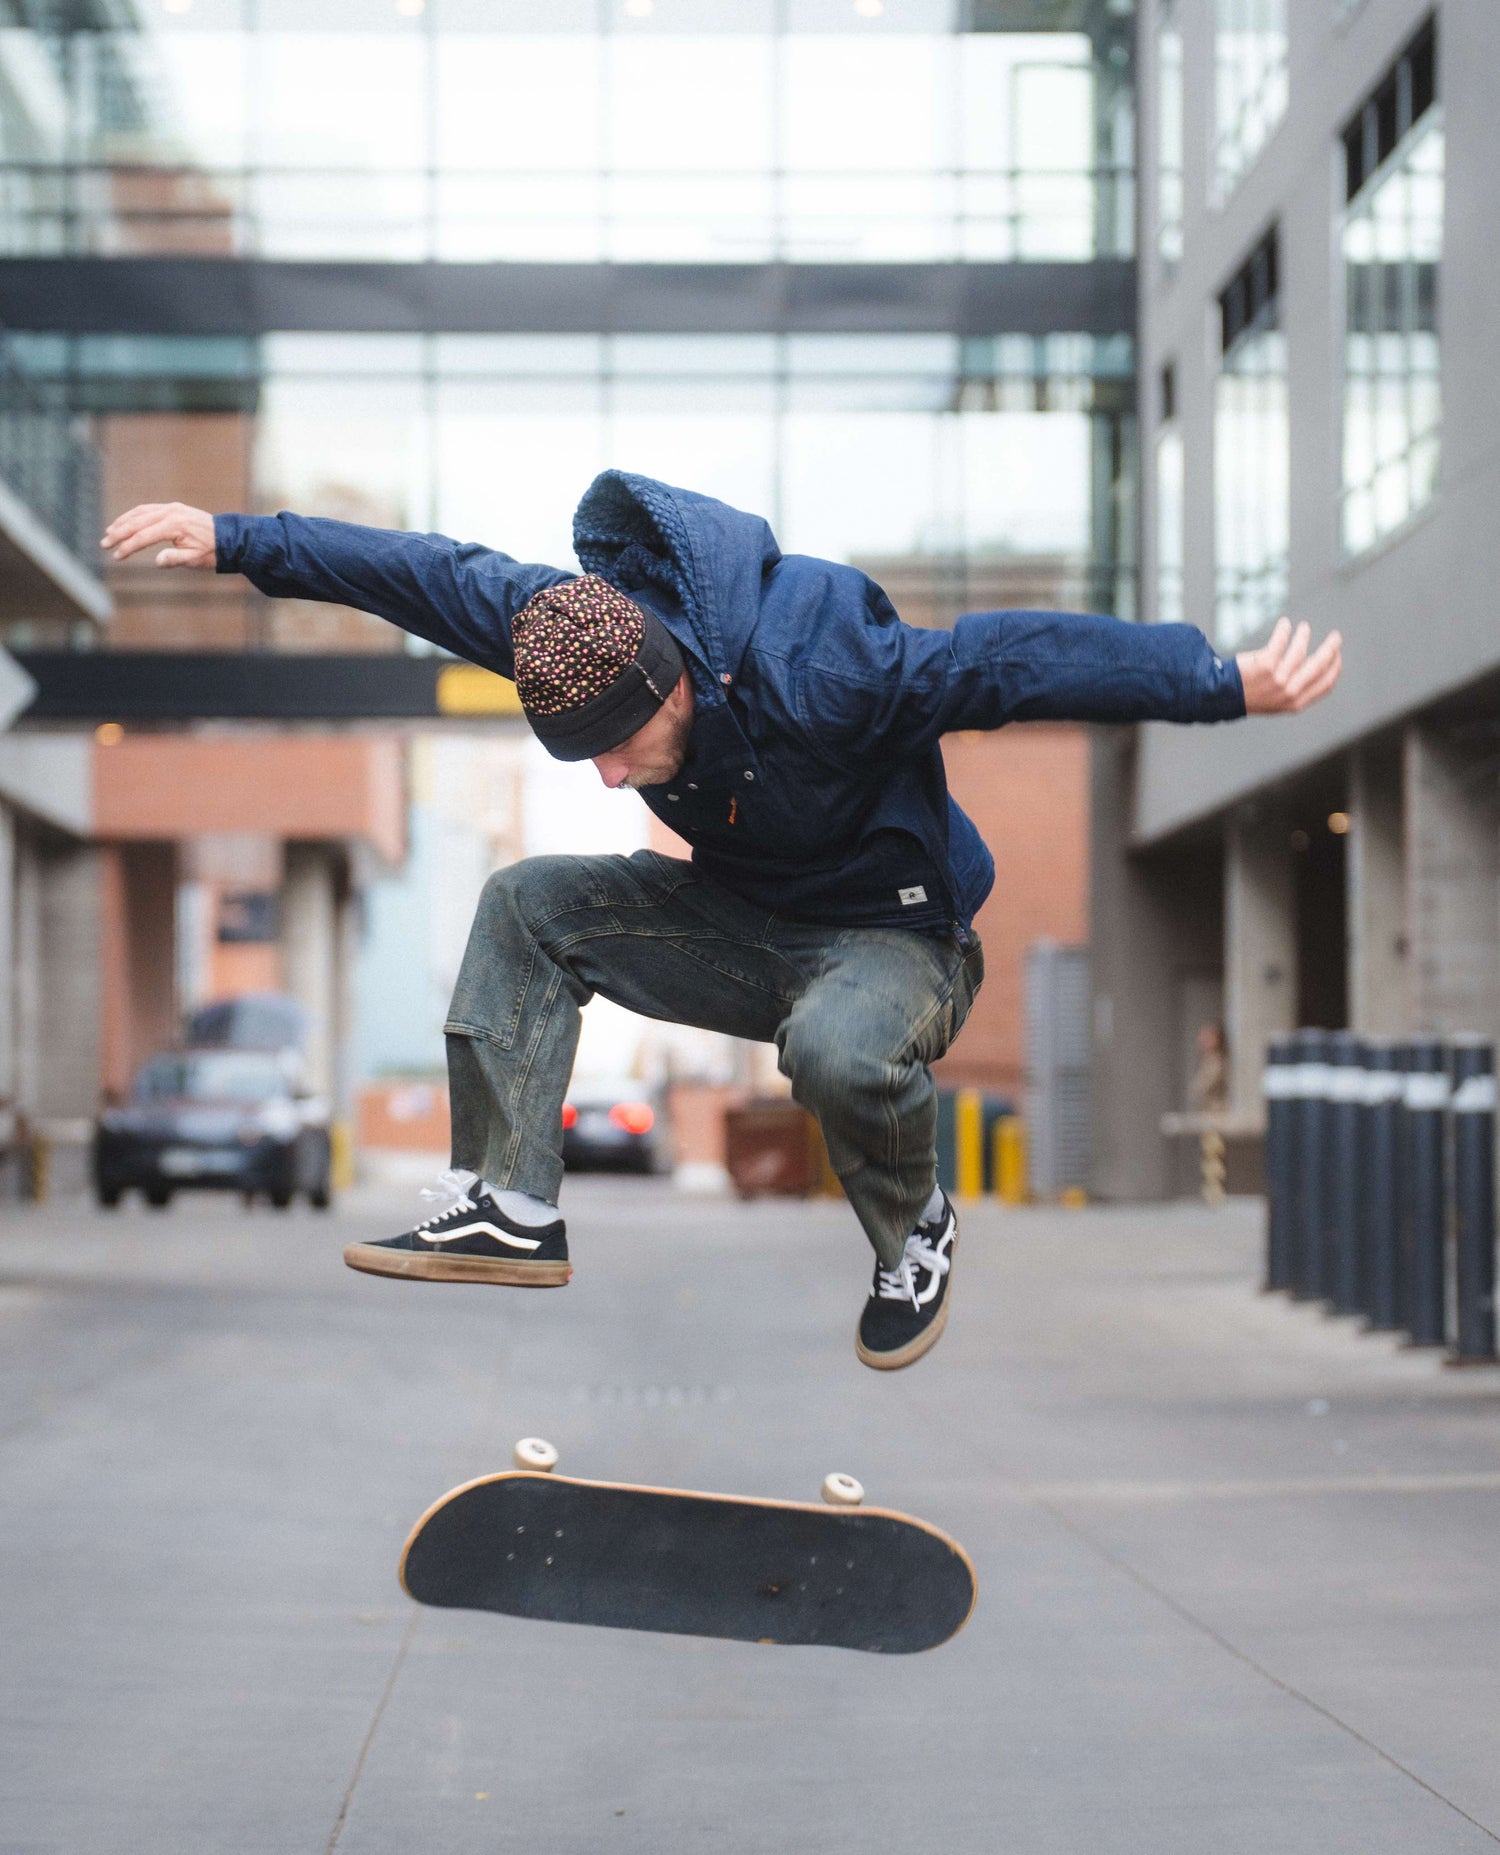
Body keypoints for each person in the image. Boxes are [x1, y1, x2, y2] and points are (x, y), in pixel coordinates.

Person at [101, 478, 1342, 1370]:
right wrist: (233, 538)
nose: (607, 777)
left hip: (897, 942)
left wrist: (1217, 679)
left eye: (620, 750)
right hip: (743, 924)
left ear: (677, 688)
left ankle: (913, 1231)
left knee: (839, 1047)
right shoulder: (568, 626)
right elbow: (421, 574)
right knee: (527, 901)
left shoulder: (837, 669)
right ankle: (511, 1206)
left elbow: (1009, 660)